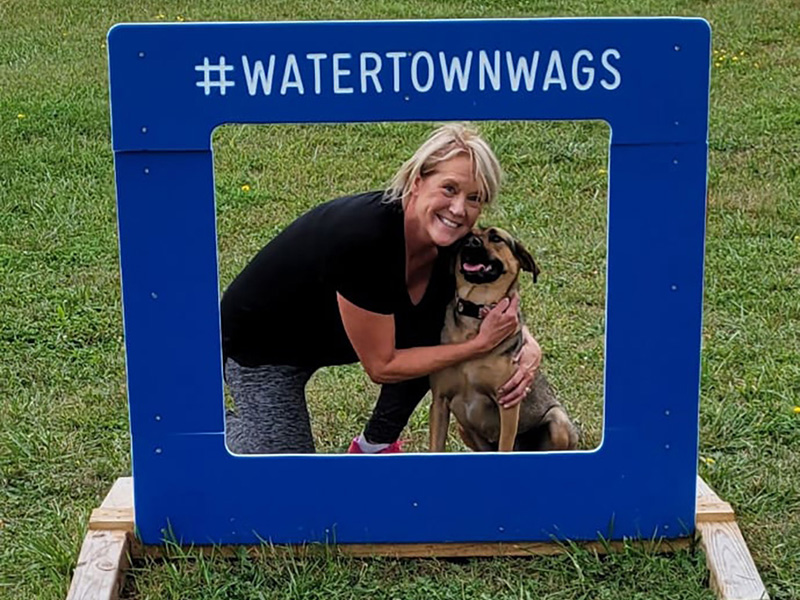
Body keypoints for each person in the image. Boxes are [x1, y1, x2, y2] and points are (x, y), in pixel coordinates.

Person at [220, 123, 542, 454]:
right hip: (263, 346)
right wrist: (479, 345)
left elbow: (487, 297)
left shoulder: (455, 242)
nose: (459, 209)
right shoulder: (367, 237)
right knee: (287, 470)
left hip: (333, 336)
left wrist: (526, 343)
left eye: (474, 198)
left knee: (439, 324)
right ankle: (211, 428)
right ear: (417, 181)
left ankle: (375, 445)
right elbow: (382, 366)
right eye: (449, 189)